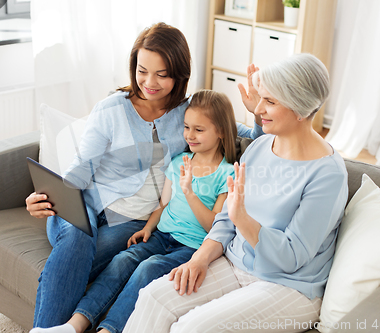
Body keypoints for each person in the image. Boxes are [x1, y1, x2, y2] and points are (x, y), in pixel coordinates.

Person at [25, 22, 264, 330]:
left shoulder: (190, 115)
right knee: (76, 236)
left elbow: (244, 139)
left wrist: (258, 112)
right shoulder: (111, 108)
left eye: (162, 74)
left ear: (179, 73)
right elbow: (80, 169)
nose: (149, 82)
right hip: (82, 202)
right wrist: (45, 197)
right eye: (142, 71)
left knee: (94, 261)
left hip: (131, 221)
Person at [123, 53, 349, 333]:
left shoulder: (328, 174)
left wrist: (241, 217)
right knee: (153, 297)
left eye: (270, 101)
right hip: (235, 263)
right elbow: (224, 221)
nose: (259, 109)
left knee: (192, 329)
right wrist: (200, 258)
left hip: (289, 285)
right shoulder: (260, 148)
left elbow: (291, 257)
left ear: (300, 108)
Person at [31, 89, 238, 333]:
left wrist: (190, 192)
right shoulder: (179, 162)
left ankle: (107, 329)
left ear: (221, 131)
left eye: (199, 130)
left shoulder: (227, 173)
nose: (189, 135)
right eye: (186, 128)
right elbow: (164, 205)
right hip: (159, 233)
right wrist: (148, 228)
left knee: (146, 268)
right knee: (121, 260)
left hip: (191, 245)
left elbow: (215, 227)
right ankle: (73, 325)